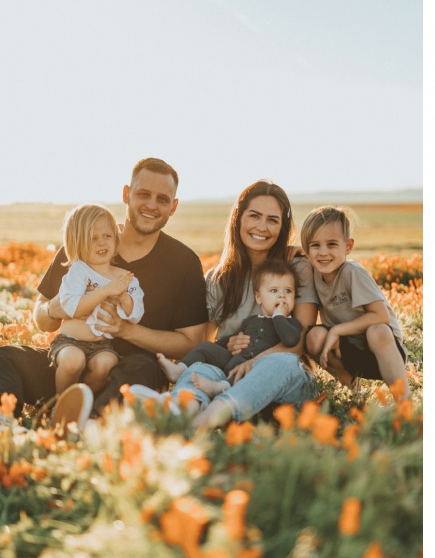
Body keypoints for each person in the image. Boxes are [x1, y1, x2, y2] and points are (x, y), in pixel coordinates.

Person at [0, 157, 208, 431]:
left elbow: (191, 343)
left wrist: (125, 330)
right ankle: (8, 428)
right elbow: (42, 317)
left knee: (143, 369)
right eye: (143, 194)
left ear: (173, 207)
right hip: (70, 363)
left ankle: (85, 426)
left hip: (131, 373)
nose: (151, 205)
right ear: (126, 194)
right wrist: (54, 309)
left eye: (162, 199)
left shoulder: (184, 262)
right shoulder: (85, 243)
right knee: (7, 358)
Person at [144, 180, 319, 428]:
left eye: (272, 220)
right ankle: (179, 414)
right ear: (238, 218)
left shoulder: (297, 269)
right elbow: (206, 341)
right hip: (229, 376)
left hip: (283, 386)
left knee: (280, 362)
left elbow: (299, 343)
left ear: (282, 227)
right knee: (201, 368)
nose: (262, 227)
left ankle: (203, 421)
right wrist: (229, 345)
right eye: (254, 216)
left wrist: (252, 363)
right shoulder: (218, 278)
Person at [300, 205, 408, 399]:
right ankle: (349, 383)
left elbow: (381, 316)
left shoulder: (352, 272)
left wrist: (336, 330)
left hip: (382, 351)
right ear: (307, 249)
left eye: (332, 244)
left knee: (378, 331)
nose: (323, 252)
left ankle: (404, 401)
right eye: (315, 245)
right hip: (347, 351)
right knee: (313, 336)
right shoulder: (313, 273)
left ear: (348, 246)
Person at [157, 257, 301, 397]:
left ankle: (222, 387)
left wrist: (278, 316)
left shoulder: (291, 324)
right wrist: (218, 348)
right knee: (206, 347)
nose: (282, 296)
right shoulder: (251, 321)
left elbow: (290, 340)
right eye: (274, 291)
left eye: (288, 291)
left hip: (256, 368)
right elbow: (229, 340)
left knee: (242, 371)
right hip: (234, 360)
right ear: (259, 297)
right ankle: (180, 369)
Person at [51, 203, 144, 395]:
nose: (102, 243)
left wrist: (123, 296)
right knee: (72, 361)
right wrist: (105, 291)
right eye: (93, 238)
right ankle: (60, 403)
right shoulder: (79, 270)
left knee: (107, 363)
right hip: (70, 341)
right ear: (77, 243)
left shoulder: (125, 277)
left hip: (101, 345)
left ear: (116, 239)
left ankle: (84, 401)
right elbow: (73, 309)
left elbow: (135, 315)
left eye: (107, 236)